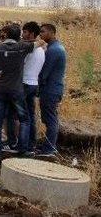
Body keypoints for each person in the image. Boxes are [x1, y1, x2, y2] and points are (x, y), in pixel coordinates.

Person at [0, 24, 45, 163]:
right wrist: (36, 43)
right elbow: (41, 42)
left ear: (6, 35)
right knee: (24, 119)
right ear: (18, 36)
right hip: (16, 90)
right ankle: (23, 149)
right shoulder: (22, 47)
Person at [37, 23, 66, 157]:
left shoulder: (53, 50)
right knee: (50, 118)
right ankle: (48, 147)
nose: (40, 34)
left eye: (43, 32)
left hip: (50, 90)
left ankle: (49, 149)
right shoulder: (56, 48)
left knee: (50, 119)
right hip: (53, 89)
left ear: (52, 32)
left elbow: (44, 74)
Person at [21, 21, 45, 152]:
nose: (23, 35)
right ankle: (31, 144)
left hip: (24, 84)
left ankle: (23, 146)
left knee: (23, 117)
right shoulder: (41, 50)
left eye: (25, 32)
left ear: (32, 34)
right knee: (30, 115)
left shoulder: (29, 49)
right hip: (33, 84)